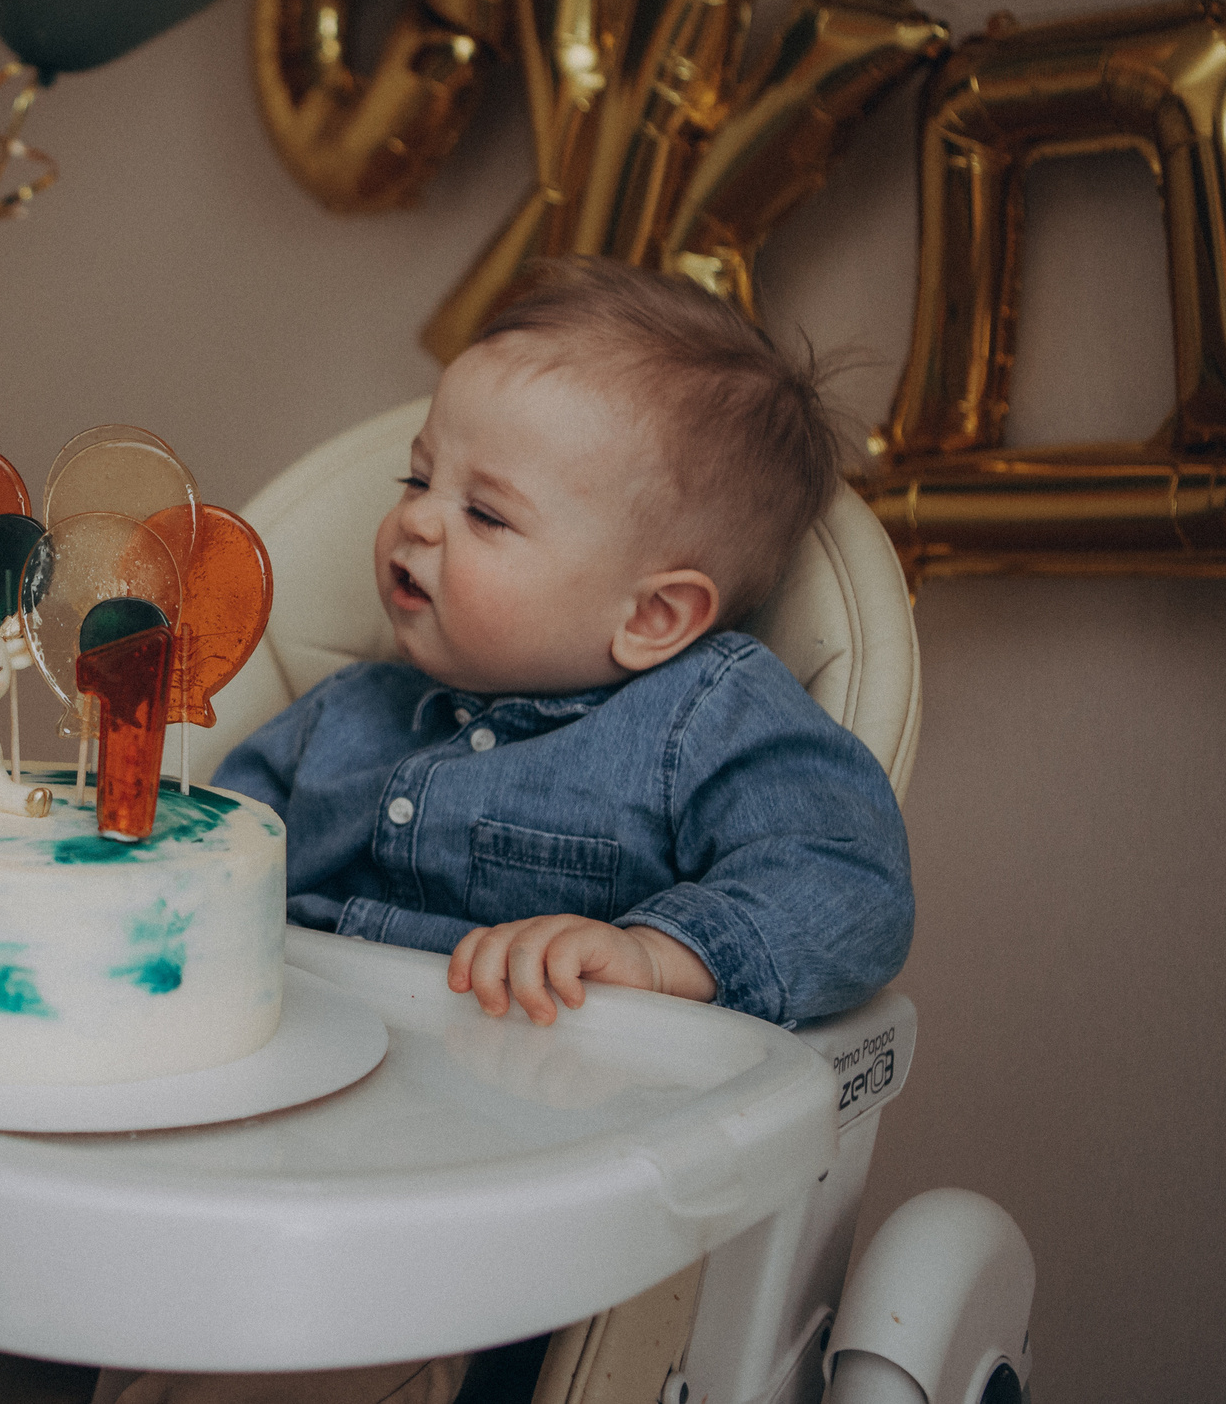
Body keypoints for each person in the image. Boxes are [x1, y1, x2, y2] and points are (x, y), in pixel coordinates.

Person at [113, 258, 915, 1404]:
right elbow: (213, 858)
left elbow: (845, 876)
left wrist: (657, 954)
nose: (416, 523)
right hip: (273, 1137)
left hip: (497, 1212)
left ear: (653, 615)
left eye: (484, 513)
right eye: (418, 479)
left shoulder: (700, 716)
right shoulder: (348, 713)